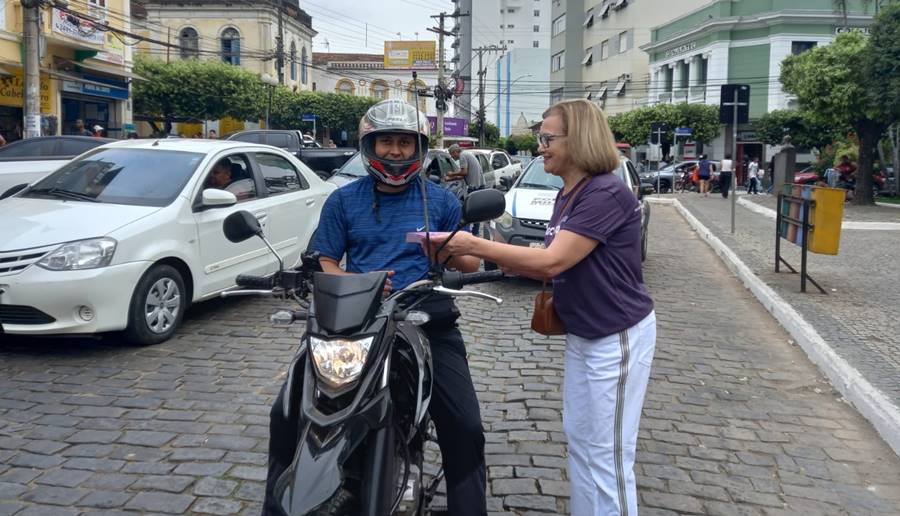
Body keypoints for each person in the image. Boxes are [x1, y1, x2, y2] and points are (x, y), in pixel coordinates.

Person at [428, 99, 655, 516]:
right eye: (540, 139)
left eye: (548, 139)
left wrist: (472, 244)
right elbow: (552, 260)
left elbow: (554, 260)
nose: (540, 148)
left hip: (616, 333)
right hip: (584, 332)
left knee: (607, 453)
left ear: (579, 139)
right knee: (583, 441)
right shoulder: (569, 193)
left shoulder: (605, 191)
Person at [263, 99, 488, 516]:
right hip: (352, 321)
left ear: (419, 147)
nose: (396, 152)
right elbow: (325, 260)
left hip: (426, 319)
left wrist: (446, 252)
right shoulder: (343, 201)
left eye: (405, 142)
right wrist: (353, 283)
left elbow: (471, 262)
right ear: (369, 146)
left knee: (465, 425)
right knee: (286, 413)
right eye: (387, 142)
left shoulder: (439, 201)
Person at [446, 144, 485, 234]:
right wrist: (450, 179)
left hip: (475, 187)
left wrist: (451, 174)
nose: (452, 157)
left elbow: (464, 172)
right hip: (479, 185)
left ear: (455, 151)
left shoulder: (463, 155)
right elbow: (464, 175)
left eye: (451, 154)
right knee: (475, 210)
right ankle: (475, 231)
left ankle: (471, 232)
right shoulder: (466, 154)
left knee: (469, 210)